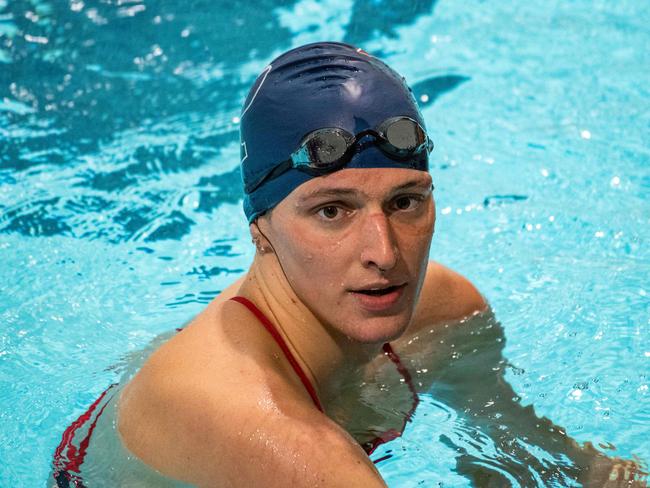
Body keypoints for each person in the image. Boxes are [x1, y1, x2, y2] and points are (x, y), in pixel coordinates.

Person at [52, 42, 646, 487]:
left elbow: (524, 456)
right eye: (332, 210)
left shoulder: (446, 314)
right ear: (260, 228)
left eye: (405, 202)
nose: (384, 255)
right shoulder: (279, 439)